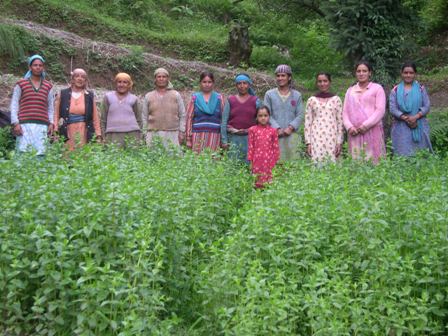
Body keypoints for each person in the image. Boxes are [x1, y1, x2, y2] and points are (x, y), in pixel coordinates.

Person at [10, 54, 55, 156]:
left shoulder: (48, 86)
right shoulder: (21, 84)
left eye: (40, 65)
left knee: (40, 154)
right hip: (24, 125)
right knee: (23, 153)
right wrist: (15, 123)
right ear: (30, 67)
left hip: (42, 126)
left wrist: (51, 123)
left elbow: (50, 108)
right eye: (35, 65)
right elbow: (14, 104)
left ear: (43, 67)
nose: (38, 67)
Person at [343, 61, 386, 163]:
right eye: (358, 71)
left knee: (374, 161)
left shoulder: (377, 88)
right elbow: (345, 112)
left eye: (364, 71)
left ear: (370, 73)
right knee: (356, 161)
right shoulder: (350, 91)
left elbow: (380, 110)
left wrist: (365, 125)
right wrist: (349, 127)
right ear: (355, 73)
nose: (361, 73)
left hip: (372, 130)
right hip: (354, 133)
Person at [389, 62, 433, 156]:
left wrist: (416, 117)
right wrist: (406, 118)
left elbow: (427, 106)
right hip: (401, 127)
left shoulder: (421, 89)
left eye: (411, 73)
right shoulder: (395, 90)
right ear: (401, 73)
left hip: (419, 125)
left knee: (420, 155)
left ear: (415, 74)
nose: (408, 75)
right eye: (405, 72)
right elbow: (393, 109)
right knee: (402, 155)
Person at [54, 68, 102, 150]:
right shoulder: (63, 94)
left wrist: (98, 134)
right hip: (67, 131)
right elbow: (56, 114)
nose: (80, 79)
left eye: (83, 77)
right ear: (72, 79)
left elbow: (95, 117)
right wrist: (55, 131)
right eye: (77, 76)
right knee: (67, 155)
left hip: (84, 130)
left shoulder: (89, 95)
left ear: (85, 80)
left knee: (83, 155)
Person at [263, 64, 303, 161]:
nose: (280, 78)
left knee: (293, 163)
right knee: (275, 164)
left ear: (289, 77)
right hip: (274, 135)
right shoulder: (269, 94)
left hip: (292, 135)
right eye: (278, 75)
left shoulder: (297, 95)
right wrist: (277, 128)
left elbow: (300, 114)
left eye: (283, 75)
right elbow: (266, 114)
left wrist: (291, 127)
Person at [221, 73, 261, 161]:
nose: (242, 86)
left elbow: (261, 121)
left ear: (249, 84)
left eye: (245, 83)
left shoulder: (255, 101)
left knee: (249, 165)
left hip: (250, 139)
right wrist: (224, 141)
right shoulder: (230, 100)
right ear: (236, 85)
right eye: (239, 83)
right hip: (233, 138)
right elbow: (224, 122)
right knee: (233, 165)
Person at [304, 72, 344, 162]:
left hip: (332, 138)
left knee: (332, 165)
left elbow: (340, 122)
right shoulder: (311, 100)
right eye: (320, 81)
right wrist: (308, 143)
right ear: (316, 83)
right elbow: (307, 122)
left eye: (325, 81)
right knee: (317, 164)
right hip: (316, 138)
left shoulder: (336, 100)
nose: (322, 84)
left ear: (330, 82)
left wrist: (339, 142)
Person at [142, 68, 186, 147]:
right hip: (153, 133)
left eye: (164, 77)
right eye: (159, 77)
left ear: (168, 79)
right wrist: (145, 133)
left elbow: (182, 114)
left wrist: (182, 131)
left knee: (173, 157)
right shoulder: (148, 96)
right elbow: (144, 116)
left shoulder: (176, 95)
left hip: (173, 133)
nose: (161, 79)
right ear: (155, 79)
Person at [185, 71, 225, 153]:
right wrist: (188, 138)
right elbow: (189, 118)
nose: (207, 84)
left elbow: (223, 118)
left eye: (209, 82)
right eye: (204, 82)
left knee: (213, 160)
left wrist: (223, 138)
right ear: (200, 83)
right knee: (197, 161)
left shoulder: (219, 98)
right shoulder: (195, 98)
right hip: (197, 135)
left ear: (213, 83)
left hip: (215, 136)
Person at [100, 73, 142, 147]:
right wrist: (104, 135)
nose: (121, 85)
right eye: (119, 82)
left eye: (125, 82)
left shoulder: (134, 98)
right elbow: (103, 119)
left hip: (132, 134)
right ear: (116, 83)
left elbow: (139, 119)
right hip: (112, 134)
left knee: (132, 157)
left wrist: (140, 135)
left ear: (129, 84)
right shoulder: (108, 97)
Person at [248, 106, 280, 188]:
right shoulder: (252, 130)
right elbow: (251, 147)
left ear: (269, 116)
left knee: (269, 184)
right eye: (260, 116)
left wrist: (275, 162)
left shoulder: (273, 131)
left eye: (265, 115)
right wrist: (251, 162)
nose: (263, 118)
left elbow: (276, 148)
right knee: (257, 183)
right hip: (257, 161)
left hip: (269, 161)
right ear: (256, 117)